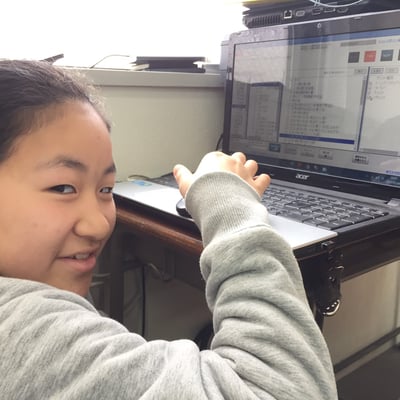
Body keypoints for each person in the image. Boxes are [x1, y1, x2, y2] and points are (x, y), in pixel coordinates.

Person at [0, 59, 338, 399]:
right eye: (62, 188)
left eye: (105, 189)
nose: (99, 225)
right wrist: (228, 201)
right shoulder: (25, 330)